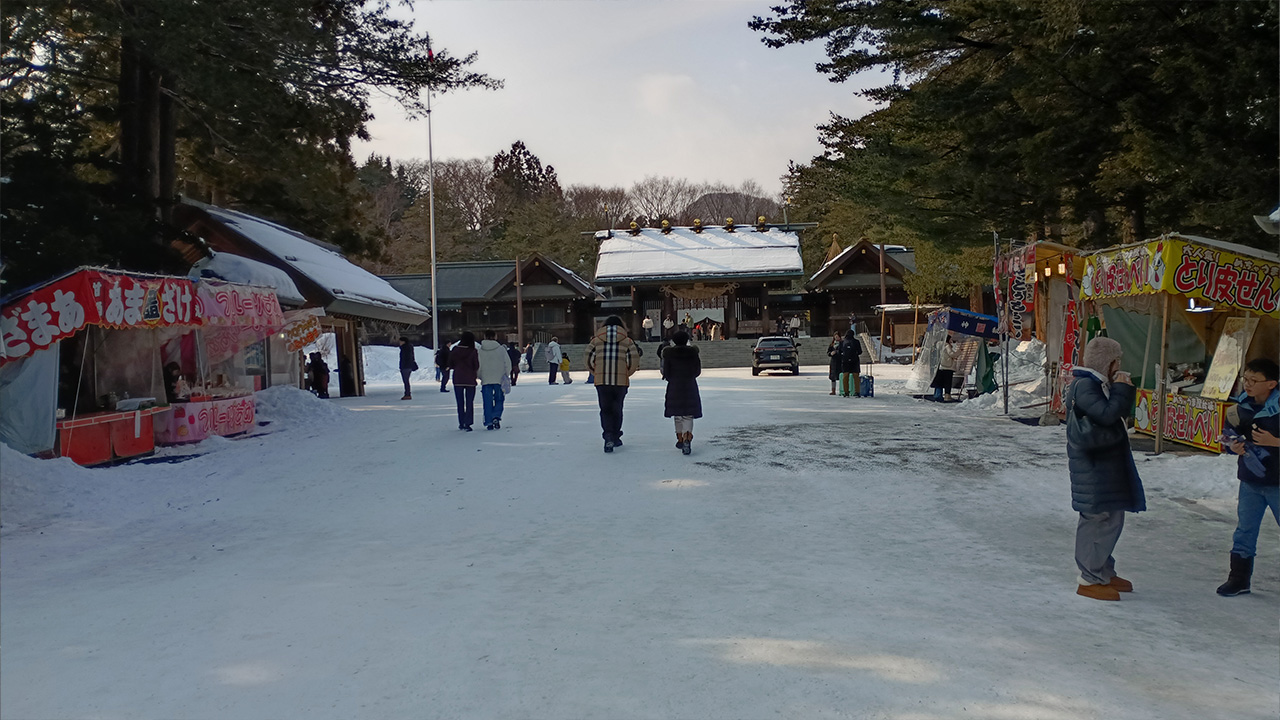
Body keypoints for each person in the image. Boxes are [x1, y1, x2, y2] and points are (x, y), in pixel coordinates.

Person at [1065, 336, 1145, 602]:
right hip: (1093, 466)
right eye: (1116, 360)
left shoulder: (1097, 384)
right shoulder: (1086, 386)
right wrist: (1122, 389)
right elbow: (1108, 415)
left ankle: (1103, 571)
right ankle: (1089, 577)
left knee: (1112, 517)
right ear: (1107, 362)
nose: (1119, 366)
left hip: (1104, 464)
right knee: (1098, 518)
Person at [1216, 357, 1279, 597]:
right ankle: (1239, 578)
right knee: (1244, 530)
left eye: (1254, 380)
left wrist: (1276, 442)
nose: (1248, 384)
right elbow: (1227, 435)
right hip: (1250, 481)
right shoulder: (1240, 407)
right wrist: (1233, 446)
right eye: (1246, 379)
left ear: (1271, 384)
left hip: (1278, 482)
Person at [585, 315, 640, 453]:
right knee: (617, 408)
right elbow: (634, 361)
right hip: (620, 382)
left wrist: (596, 372)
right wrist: (626, 373)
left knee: (605, 409)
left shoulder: (595, 341)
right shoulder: (627, 341)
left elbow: (588, 359)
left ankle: (608, 435)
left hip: (602, 381)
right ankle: (616, 436)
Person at [662, 330, 702, 455]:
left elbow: (666, 372)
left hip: (674, 385)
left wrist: (672, 378)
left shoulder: (669, 354)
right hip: (690, 385)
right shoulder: (693, 353)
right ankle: (687, 438)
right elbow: (697, 370)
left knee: (678, 414)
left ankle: (680, 438)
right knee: (688, 415)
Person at [477, 330, 512, 430]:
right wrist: (506, 374)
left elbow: (478, 365)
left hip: (486, 379)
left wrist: (480, 376)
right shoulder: (501, 349)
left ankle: (488, 421)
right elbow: (507, 363)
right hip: (499, 379)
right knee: (499, 399)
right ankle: (496, 416)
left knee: (487, 401)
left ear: (484, 337)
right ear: (495, 337)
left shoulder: (480, 350)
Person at [447, 331, 479, 431]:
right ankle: (468, 423)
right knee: (469, 402)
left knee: (460, 402)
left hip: (458, 378)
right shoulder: (473, 351)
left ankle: (461, 422)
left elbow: (450, 364)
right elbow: (476, 366)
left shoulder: (455, 350)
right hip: (470, 379)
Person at [931, 336, 957, 401]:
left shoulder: (937, 345)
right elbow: (951, 354)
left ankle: (938, 394)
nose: (951, 341)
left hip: (940, 366)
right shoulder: (946, 345)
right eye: (950, 339)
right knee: (947, 382)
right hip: (948, 366)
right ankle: (947, 396)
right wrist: (959, 352)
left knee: (939, 382)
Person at [838, 329, 862, 398]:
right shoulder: (856, 342)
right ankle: (857, 392)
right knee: (856, 377)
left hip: (845, 361)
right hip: (855, 361)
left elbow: (839, 352)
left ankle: (846, 392)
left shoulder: (842, 342)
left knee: (845, 377)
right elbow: (860, 351)